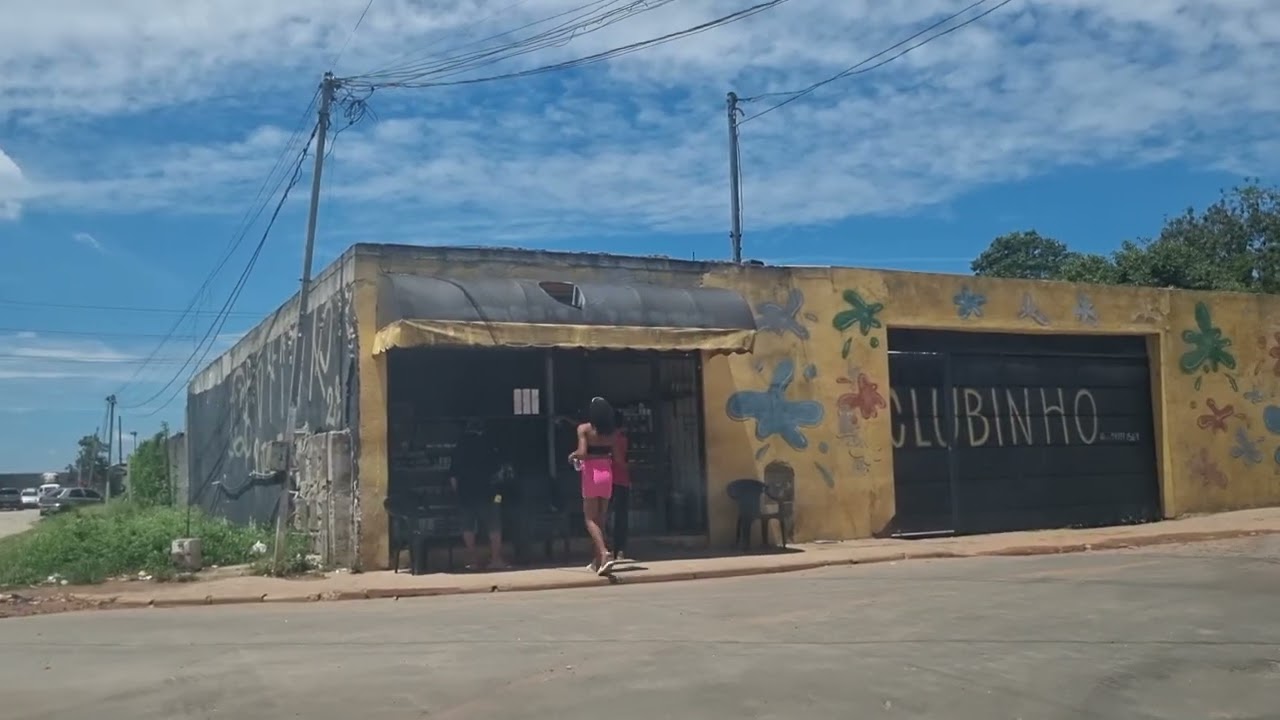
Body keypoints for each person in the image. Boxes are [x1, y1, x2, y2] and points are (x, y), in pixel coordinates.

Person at [569, 396, 622, 576]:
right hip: (607, 474)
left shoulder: (584, 429)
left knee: (589, 519)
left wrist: (572, 456)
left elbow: (582, 453)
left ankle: (604, 554)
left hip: (591, 475)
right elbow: (617, 458)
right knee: (601, 519)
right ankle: (597, 561)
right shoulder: (613, 433)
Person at [449, 418, 508, 570]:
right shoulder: (489, 444)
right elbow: (499, 471)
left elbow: (453, 476)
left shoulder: (459, 447)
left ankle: (473, 560)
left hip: (466, 492)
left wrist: (458, 494)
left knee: (468, 526)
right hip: (489, 491)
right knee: (494, 525)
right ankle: (495, 559)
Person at [610, 410, 632, 562]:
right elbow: (620, 460)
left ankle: (611, 549)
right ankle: (620, 550)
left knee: (607, 516)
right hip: (621, 480)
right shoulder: (621, 439)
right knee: (621, 517)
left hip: (609, 481)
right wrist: (629, 466)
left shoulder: (606, 439)